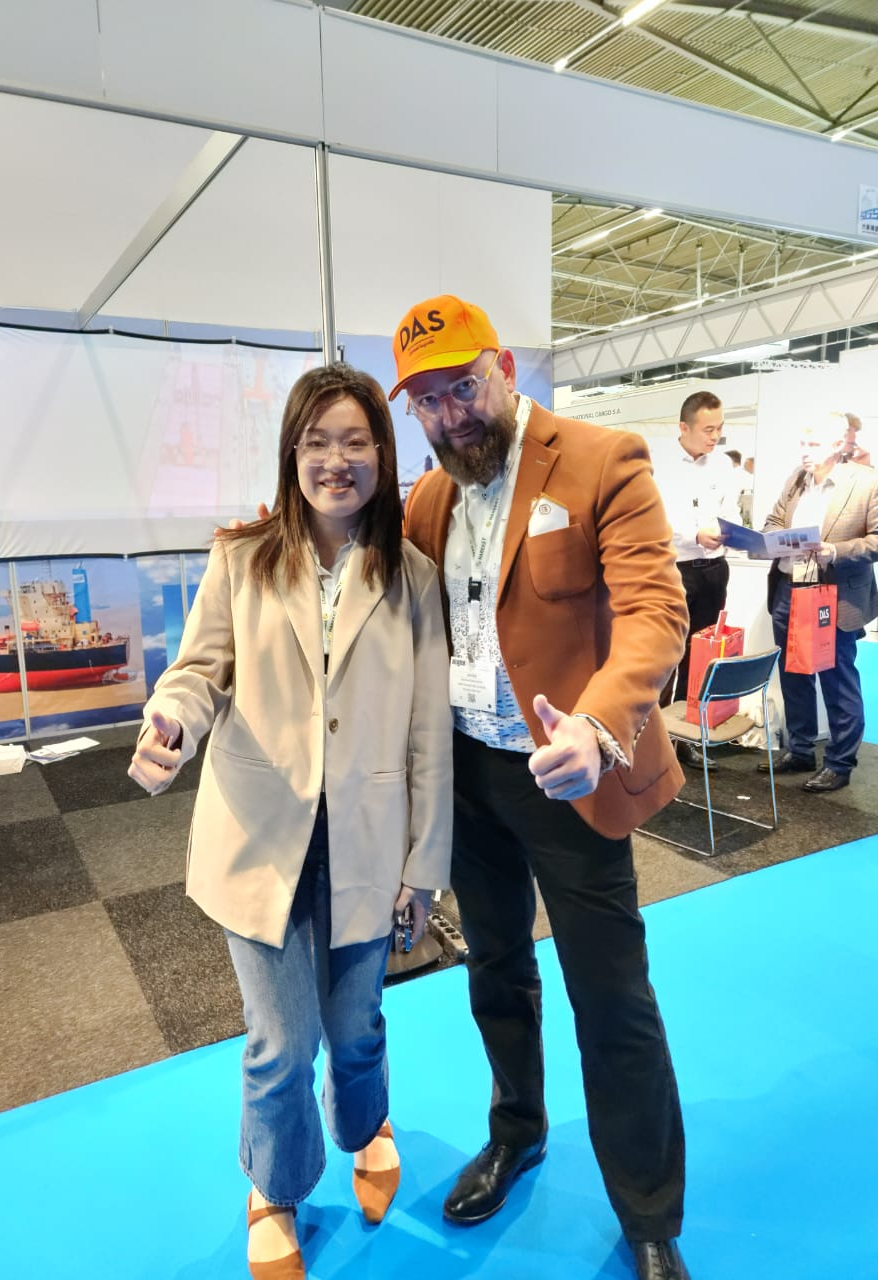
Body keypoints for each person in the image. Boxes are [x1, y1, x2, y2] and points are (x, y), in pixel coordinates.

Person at [390, 295, 692, 1280]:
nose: (451, 415)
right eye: (428, 401)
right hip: (467, 773)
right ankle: (516, 1130)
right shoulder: (427, 500)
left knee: (612, 995)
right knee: (494, 969)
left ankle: (648, 1211)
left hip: (570, 771)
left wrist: (598, 728)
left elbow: (654, 611)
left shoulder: (603, 460)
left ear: (506, 367)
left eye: (464, 387)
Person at [128, 362, 452, 1280]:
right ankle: (273, 1186)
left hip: (368, 838)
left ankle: (367, 1123)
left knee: (357, 1026)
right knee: (282, 1040)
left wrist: (424, 867)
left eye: (355, 442)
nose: (335, 461)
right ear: (291, 454)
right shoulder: (242, 558)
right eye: (317, 442)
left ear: (383, 455)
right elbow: (199, 673)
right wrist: (171, 722)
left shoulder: (413, 577)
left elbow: (428, 733)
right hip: (258, 832)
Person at [758, 415, 878, 793]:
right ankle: (800, 749)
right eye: (802, 445)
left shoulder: (867, 482)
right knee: (794, 672)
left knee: (837, 677)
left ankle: (840, 763)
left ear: (838, 445)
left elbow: (876, 540)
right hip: (789, 587)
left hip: (835, 593)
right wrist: (777, 540)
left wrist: (835, 551)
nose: (804, 453)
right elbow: (772, 522)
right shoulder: (797, 479)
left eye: (812, 446)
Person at [653, 391, 740, 768]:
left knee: (700, 658)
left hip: (714, 571)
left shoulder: (722, 465)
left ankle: (686, 739)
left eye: (719, 428)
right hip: (676, 569)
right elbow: (653, 519)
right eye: (708, 429)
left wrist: (732, 532)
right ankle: (653, 740)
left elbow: (730, 510)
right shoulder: (659, 465)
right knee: (664, 657)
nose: (715, 436)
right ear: (683, 427)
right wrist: (693, 536)